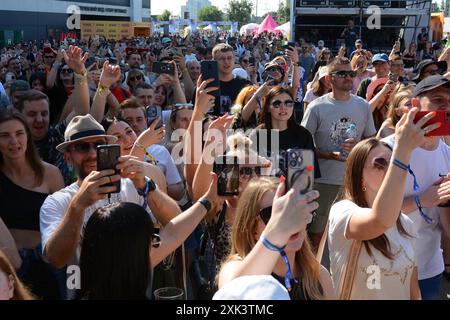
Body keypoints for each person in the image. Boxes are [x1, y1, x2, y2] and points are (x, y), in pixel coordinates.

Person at [39, 114, 181, 277]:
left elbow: (175, 222)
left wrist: (146, 185)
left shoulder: (132, 185)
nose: (92, 154)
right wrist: (78, 206)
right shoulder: (57, 201)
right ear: (68, 157)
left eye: (99, 146)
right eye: (82, 147)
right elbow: (55, 258)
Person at [329, 110, 435, 299]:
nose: (390, 170)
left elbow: (413, 288)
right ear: (359, 175)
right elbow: (379, 221)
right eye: (380, 164)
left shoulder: (405, 223)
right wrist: (401, 154)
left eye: (392, 163)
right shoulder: (343, 211)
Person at [75, 169, 219, 300]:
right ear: (129, 253)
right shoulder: (133, 272)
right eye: (151, 239)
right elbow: (172, 235)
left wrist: (209, 200)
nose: (157, 243)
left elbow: (173, 234)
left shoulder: (110, 270)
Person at [382, 75, 450, 299]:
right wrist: (422, 200)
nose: (446, 106)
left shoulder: (447, 154)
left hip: (430, 267)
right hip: (386, 264)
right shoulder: (385, 151)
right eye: (438, 99)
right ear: (414, 105)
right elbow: (372, 213)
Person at [301, 57, 377, 253]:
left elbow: (371, 141)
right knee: (317, 234)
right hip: (324, 181)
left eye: (351, 74)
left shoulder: (363, 105)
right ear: (329, 79)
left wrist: (359, 147)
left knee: (352, 235)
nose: (348, 77)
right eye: (342, 74)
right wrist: (330, 154)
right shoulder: (317, 107)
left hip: (355, 180)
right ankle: (312, 277)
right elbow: (303, 147)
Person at [217, 176, 334, 300]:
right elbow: (233, 296)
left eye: (296, 212)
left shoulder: (319, 276)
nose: (290, 223)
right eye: (273, 215)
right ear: (252, 228)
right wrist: (276, 233)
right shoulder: (233, 268)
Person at [0, 109, 64, 299]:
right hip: (13, 263)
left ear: (27, 136)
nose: (14, 141)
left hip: (50, 262)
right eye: (4, 136)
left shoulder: (51, 174)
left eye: (19, 133)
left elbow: (64, 221)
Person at [252, 85, 320, 178]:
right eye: (277, 103)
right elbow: (249, 172)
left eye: (288, 103)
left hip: (294, 191)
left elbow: (309, 175)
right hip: (264, 190)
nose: (283, 107)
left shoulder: (303, 135)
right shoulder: (257, 134)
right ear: (268, 107)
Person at [211, 43, 252, 114]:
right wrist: (198, 126)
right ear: (214, 61)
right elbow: (196, 117)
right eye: (221, 59)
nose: (226, 62)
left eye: (229, 58)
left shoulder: (246, 85)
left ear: (234, 60)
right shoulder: (207, 86)